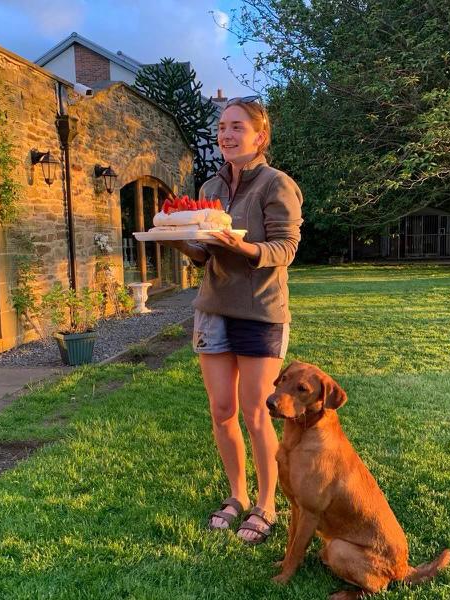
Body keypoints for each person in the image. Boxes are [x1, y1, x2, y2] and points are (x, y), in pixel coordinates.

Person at [161, 96, 303, 545]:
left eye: (237, 126)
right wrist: (177, 238)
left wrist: (244, 248)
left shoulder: (277, 185)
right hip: (214, 309)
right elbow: (204, 253)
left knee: (257, 413)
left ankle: (267, 504)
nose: (226, 133)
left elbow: (286, 249)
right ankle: (237, 496)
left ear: (260, 136)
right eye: (222, 126)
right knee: (222, 411)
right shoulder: (209, 188)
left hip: (260, 311)